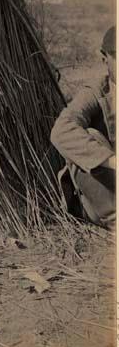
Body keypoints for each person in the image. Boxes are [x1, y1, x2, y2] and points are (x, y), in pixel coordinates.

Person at [50, 25, 115, 228]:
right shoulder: (96, 92)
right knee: (90, 136)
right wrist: (113, 161)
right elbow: (62, 131)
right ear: (105, 59)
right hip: (107, 191)